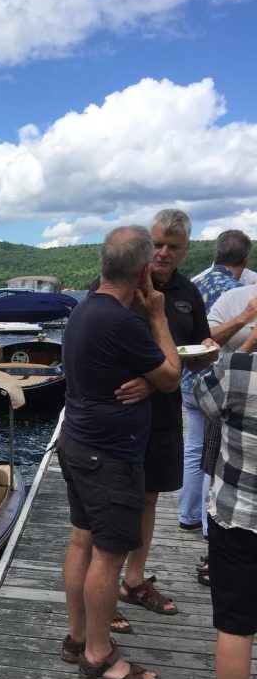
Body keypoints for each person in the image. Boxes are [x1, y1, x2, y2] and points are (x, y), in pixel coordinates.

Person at [58, 226, 180, 679]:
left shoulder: (83, 310)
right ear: (145, 270)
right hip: (110, 456)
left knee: (81, 543)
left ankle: (77, 639)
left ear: (103, 264)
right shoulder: (124, 322)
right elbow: (170, 376)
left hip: (78, 443)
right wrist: (159, 315)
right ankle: (98, 655)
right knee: (108, 559)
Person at [114, 209, 214, 617]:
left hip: (164, 409)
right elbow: (99, 345)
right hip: (118, 408)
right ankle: (101, 591)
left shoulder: (189, 294)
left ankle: (133, 580)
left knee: (149, 496)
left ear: (186, 250)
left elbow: (196, 350)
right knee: (113, 499)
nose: (162, 253)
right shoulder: (121, 285)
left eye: (173, 247)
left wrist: (207, 352)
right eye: (156, 244)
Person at [188, 336, 257, 679]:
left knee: (236, 624)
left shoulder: (238, 369)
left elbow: (201, 397)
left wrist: (246, 341)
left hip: (239, 517)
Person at [178, 231, 252, 535]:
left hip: (188, 379)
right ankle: (211, 525)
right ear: (245, 258)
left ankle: (188, 515)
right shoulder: (241, 294)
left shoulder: (193, 285)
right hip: (226, 385)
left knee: (194, 447)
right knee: (220, 454)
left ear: (215, 253)